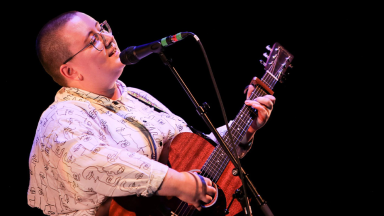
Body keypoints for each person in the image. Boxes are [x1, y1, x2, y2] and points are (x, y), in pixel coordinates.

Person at [28, 11, 276, 216]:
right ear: (70, 71)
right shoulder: (60, 117)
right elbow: (93, 163)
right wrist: (179, 184)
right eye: (92, 39)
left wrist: (244, 128)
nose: (107, 38)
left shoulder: (136, 96)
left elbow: (197, 154)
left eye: (102, 28)